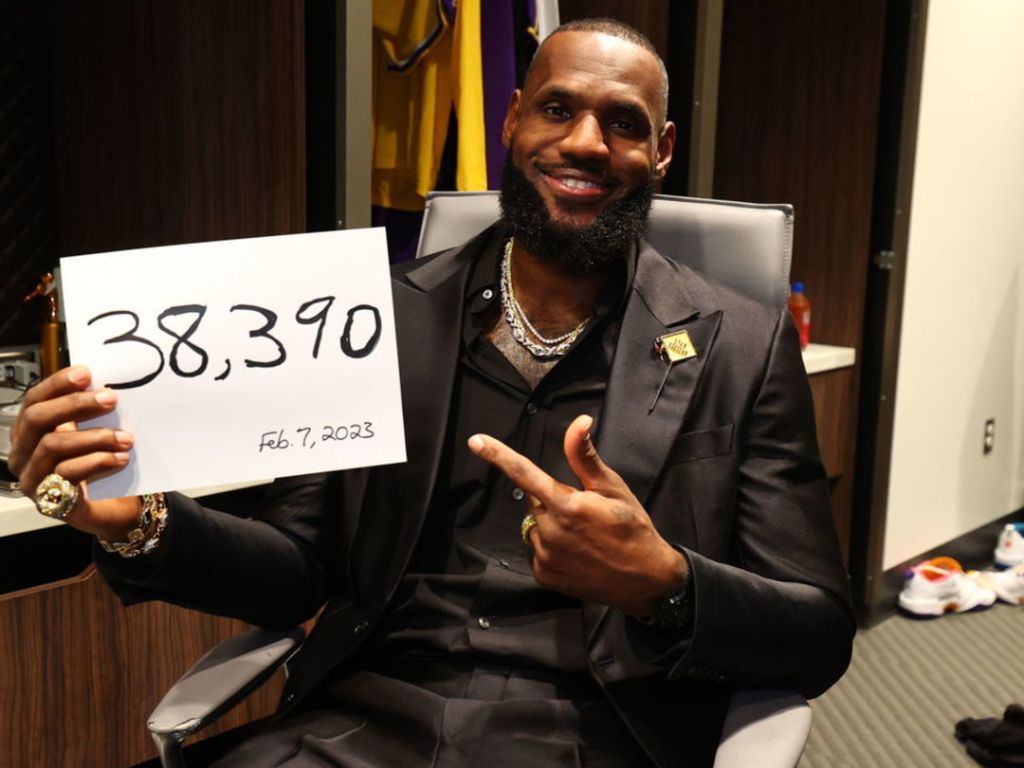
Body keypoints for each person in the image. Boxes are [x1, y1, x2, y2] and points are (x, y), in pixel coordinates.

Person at [9, 18, 854, 768]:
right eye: (558, 109)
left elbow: (816, 632)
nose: (586, 142)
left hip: (593, 734)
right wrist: (142, 523)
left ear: (661, 151)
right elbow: (298, 570)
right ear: (512, 119)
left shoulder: (743, 345)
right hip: (361, 726)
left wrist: (663, 582)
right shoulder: (373, 318)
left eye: (623, 123)